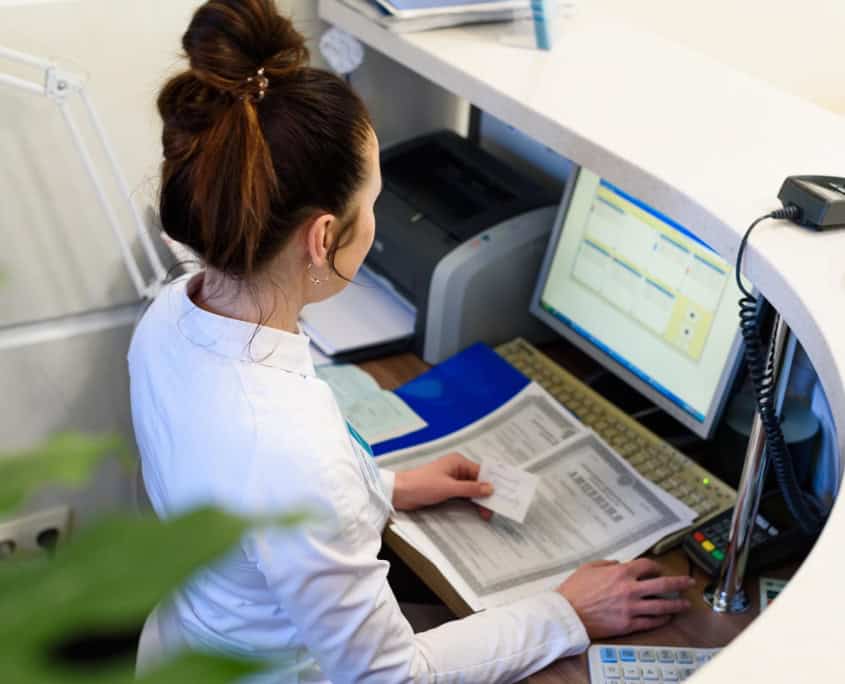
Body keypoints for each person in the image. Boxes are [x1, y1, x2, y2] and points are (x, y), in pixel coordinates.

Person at [129, 1, 694, 681]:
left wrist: (384, 486)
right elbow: (389, 676)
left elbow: (246, 499)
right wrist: (565, 612)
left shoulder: (170, 315)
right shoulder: (291, 452)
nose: (376, 219)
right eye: (371, 202)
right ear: (321, 237)